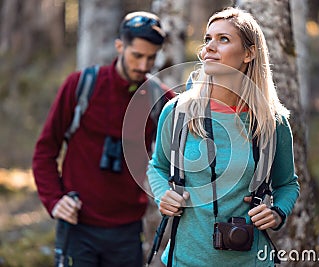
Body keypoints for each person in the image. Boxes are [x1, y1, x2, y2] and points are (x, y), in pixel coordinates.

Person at [147, 7, 300, 267]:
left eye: (223, 39)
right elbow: (157, 167)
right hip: (185, 260)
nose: (209, 47)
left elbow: (288, 184)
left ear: (249, 53)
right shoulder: (178, 112)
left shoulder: (272, 122)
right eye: (208, 39)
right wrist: (163, 194)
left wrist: (276, 213)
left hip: (252, 260)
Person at [32, 11, 174, 266]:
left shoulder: (160, 101)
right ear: (120, 45)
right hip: (77, 227)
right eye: (137, 56)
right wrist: (54, 200)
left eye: (151, 58)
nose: (143, 66)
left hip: (128, 231)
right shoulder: (81, 85)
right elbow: (45, 151)